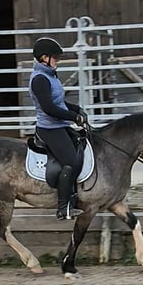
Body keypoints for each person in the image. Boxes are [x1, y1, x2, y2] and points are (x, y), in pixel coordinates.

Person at [29, 37, 88, 220]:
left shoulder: (50, 76)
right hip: (49, 128)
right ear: (44, 58)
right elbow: (49, 108)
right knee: (71, 161)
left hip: (60, 125)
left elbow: (59, 103)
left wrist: (76, 109)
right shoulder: (39, 79)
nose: (58, 61)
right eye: (55, 57)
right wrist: (73, 117)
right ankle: (63, 207)